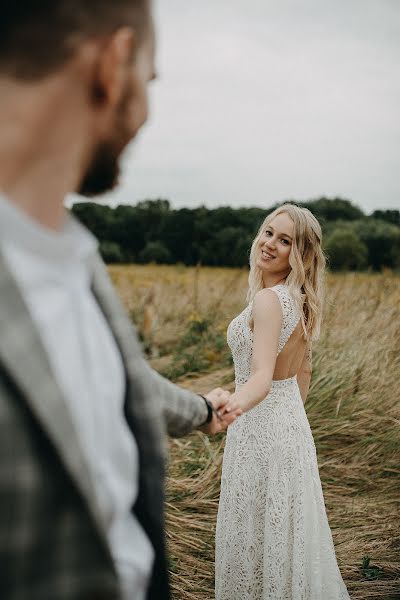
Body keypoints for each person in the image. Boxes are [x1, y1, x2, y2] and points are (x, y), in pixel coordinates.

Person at [0, 2, 241, 599]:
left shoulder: (68, 251)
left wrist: (203, 411)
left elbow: (111, 377)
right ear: (113, 64)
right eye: (149, 80)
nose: (147, 111)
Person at [215, 204, 350, 599]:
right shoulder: (300, 299)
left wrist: (225, 409)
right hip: (290, 428)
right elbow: (301, 372)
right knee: (285, 535)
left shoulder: (271, 301)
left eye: (285, 240)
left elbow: (260, 376)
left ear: (300, 254)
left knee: (256, 535)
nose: (270, 244)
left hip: (259, 428)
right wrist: (287, 422)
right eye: (269, 233)